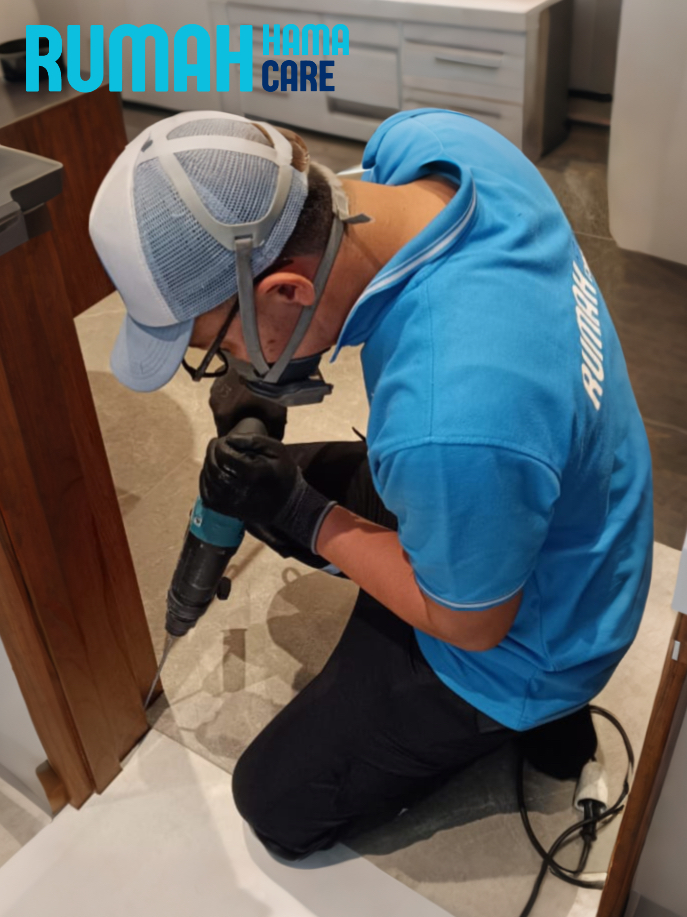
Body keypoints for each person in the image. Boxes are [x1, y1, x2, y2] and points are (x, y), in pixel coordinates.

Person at [89, 108, 653, 861]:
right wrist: (266, 382)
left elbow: (471, 626)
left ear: (287, 290)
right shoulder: (441, 146)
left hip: (536, 632)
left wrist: (306, 514)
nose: (230, 364)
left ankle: (540, 716)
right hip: (580, 503)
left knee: (275, 803)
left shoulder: (449, 418)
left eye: (220, 343)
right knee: (253, 486)